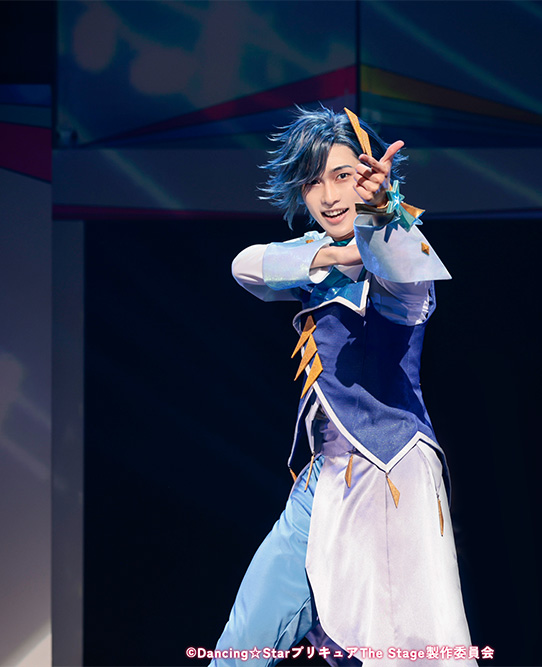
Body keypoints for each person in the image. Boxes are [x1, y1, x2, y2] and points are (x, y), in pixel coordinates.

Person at [211, 106, 474, 667]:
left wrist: (381, 211)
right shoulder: (315, 263)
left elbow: (402, 269)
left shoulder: (402, 260)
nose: (329, 196)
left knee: (396, 651)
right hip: (322, 482)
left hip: (388, 475)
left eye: (343, 176)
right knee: (243, 643)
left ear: (370, 178)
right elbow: (244, 265)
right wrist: (334, 254)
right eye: (314, 182)